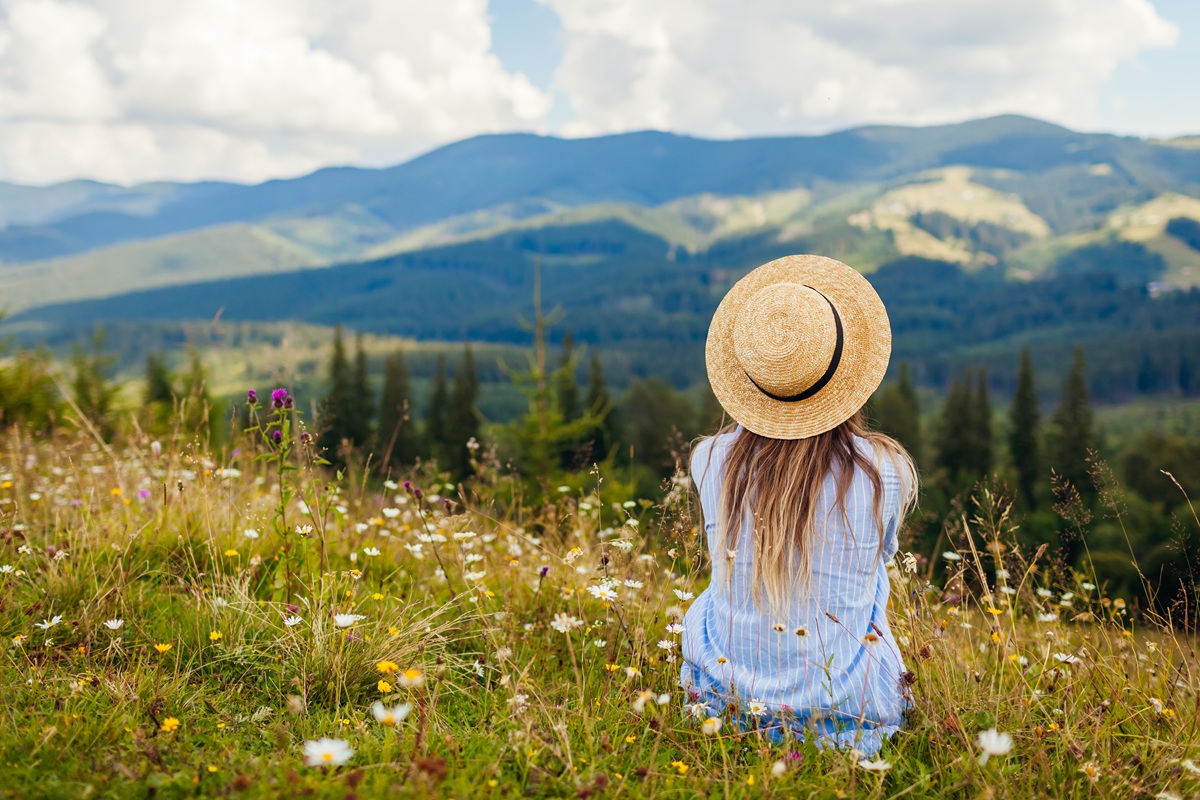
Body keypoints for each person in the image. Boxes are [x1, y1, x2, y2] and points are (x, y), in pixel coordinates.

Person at [681, 254, 918, 756]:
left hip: (721, 709)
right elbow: (882, 560)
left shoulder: (708, 459)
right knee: (871, 574)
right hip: (845, 721)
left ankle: (754, 687)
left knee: (717, 587)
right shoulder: (883, 472)